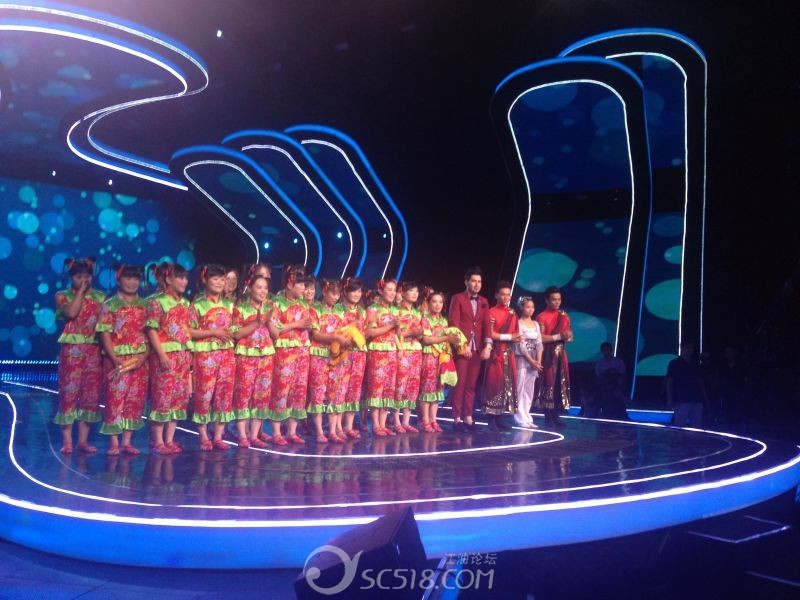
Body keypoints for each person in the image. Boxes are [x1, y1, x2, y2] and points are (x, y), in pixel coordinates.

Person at [53, 257, 105, 454]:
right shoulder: (62, 296)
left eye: (87, 276)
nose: (84, 280)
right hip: (72, 351)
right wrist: (81, 293)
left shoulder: (100, 297)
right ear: (71, 277)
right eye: (78, 276)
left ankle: (83, 441)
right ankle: (67, 441)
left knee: (90, 395)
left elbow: (104, 326)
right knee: (69, 392)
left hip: (93, 350)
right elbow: (71, 314)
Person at [97, 264, 149, 455]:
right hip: (117, 358)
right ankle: (114, 442)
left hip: (140, 359)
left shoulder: (146, 305)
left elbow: (151, 334)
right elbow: (104, 334)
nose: (132, 282)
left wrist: (143, 357)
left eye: (135, 279)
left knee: (135, 399)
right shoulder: (110, 305)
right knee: (115, 398)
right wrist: (114, 358)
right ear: (119, 280)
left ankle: (127, 441)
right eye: (128, 278)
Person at [145, 262, 193, 454]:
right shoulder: (157, 302)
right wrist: (161, 354)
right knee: (162, 398)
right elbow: (152, 330)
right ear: (168, 279)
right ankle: (157, 441)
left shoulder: (186, 304)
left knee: (179, 398)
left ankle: (169, 439)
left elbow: (186, 330)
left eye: (185, 278)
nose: (184, 281)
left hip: (183, 355)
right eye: (179, 277)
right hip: (165, 355)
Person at [188, 263, 236, 451]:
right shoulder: (197, 305)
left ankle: (218, 436)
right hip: (205, 356)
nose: (219, 283)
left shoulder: (230, 305)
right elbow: (189, 331)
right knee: (204, 394)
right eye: (215, 279)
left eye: (222, 279)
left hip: (226, 355)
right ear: (206, 280)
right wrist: (213, 332)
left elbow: (234, 329)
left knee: (224, 394)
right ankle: (203, 435)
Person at [267, 265, 313, 445]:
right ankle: (277, 432)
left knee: (299, 390)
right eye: (300, 284)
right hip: (284, 352)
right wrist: (297, 324)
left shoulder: (303, 304)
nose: (303, 288)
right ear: (289, 284)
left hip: (302, 351)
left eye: (304, 285)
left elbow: (307, 326)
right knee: (282, 389)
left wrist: (308, 326)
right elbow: (275, 330)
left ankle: (292, 431)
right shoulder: (277, 303)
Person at [231, 274, 274, 448]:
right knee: (243, 395)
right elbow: (236, 334)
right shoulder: (240, 308)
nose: (263, 291)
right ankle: (243, 435)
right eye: (259, 287)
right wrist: (256, 323)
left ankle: (255, 435)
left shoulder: (270, 308)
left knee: (262, 395)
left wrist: (269, 321)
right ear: (250, 288)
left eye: (265, 288)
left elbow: (276, 334)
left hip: (266, 356)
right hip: (246, 355)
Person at [448, 267, 489, 432]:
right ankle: (457, 419)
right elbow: (453, 323)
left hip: (477, 348)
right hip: (462, 348)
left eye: (479, 282)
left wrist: (488, 346)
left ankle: (468, 418)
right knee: (460, 384)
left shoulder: (484, 301)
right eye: (473, 281)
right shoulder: (457, 298)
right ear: (466, 282)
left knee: (471, 385)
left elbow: (486, 325)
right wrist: (461, 345)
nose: (477, 284)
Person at [308, 279, 349, 443]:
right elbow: (316, 335)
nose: (335, 297)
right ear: (324, 292)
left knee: (336, 392)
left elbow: (345, 331)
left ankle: (332, 431)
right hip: (319, 355)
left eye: (338, 294)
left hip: (336, 357)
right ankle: (319, 431)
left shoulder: (340, 311)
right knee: (318, 393)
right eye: (332, 293)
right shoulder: (315, 309)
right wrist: (335, 337)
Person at [419, 291, 463, 432]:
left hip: (442, 357)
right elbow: (426, 339)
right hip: (429, 356)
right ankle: (425, 420)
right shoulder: (425, 319)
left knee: (439, 388)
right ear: (428, 303)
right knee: (428, 387)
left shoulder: (444, 321)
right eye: (434, 301)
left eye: (440, 302)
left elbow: (447, 340)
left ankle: (433, 419)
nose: (437, 305)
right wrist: (446, 338)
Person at [481, 281, 520, 431]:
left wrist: (516, 338)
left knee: (506, 385)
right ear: (496, 295)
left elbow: (516, 334)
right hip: (495, 353)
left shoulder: (512, 313)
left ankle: (500, 417)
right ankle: (491, 418)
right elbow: (489, 334)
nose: (505, 297)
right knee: (493, 384)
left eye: (508, 295)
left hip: (509, 354)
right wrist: (509, 337)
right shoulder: (491, 312)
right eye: (502, 294)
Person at [365, 278, 400, 436]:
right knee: (377, 388)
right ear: (380, 291)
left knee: (388, 388)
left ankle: (383, 423)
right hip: (378, 352)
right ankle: (376, 424)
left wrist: (397, 327)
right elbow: (370, 332)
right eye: (389, 290)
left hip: (392, 351)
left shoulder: (394, 310)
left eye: (394, 290)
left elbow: (397, 334)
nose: (392, 293)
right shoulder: (373, 309)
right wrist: (390, 325)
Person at [535, 286, 573, 427]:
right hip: (547, 354)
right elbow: (540, 338)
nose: (557, 302)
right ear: (547, 300)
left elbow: (570, 336)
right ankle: (548, 416)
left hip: (561, 353)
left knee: (559, 385)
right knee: (548, 384)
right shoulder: (541, 317)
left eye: (559, 299)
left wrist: (567, 336)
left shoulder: (564, 316)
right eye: (553, 299)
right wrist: (558, 336)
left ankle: (556, 415)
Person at [339, 277, 367, 440]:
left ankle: (348, 426)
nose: (357, 294)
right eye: (353, 291)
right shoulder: (338, 309)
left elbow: (366, 332)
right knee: (340, 389)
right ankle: (338, 426)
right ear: (345, 292)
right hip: (344, 353)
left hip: (359, 354)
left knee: (355, 390)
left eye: (359, 291)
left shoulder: (362, 311)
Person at [394, 281, 424, 434]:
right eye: (411, 291)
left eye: (416, 291)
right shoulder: (397, 311)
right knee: (400, 385)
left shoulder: (418, 312)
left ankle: (406, 421)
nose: (414, 294)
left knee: (412, 387)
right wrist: (411, 333)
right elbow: (395, 333)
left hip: (416, 352)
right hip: (402, 350)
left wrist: (418, 333)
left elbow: (421, 334)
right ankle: (396, 420)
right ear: (403, 293)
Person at [514, 296, 542, 428]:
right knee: (520, 387)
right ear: (522, 308)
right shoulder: (518, 323)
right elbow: (521, 344)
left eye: (532, 307)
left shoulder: (536, 324)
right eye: (528, 307)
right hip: (522, 358)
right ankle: (519, 417)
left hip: (534, 358)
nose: (531, 309)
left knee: (529, 389)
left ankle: (527, 416)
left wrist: (538, 361)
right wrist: (531, 361)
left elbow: (539, 343)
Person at [666, 340, 708, 428]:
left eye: (691, 348)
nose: (690, 350)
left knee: (697, 425)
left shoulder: (696, 364)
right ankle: (678, 437)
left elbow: (700, 381)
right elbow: (669, 382)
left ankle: (693, 438)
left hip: (696, 399)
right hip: (681, 399)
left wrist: (704, 397)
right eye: (687, 347)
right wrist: (670, 399)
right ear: (682, 348)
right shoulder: (674, 363)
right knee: (679, 424)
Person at [594, 341, 628, 419]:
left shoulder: (619, 361)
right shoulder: (599, 363)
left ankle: (622, 413)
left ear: (611, 350)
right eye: (605, 350)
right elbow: (598, 376)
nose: (607, 352)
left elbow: (622, 375)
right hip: (604, 386)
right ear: (602, 351)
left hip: (617, 385)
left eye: (608, 349)